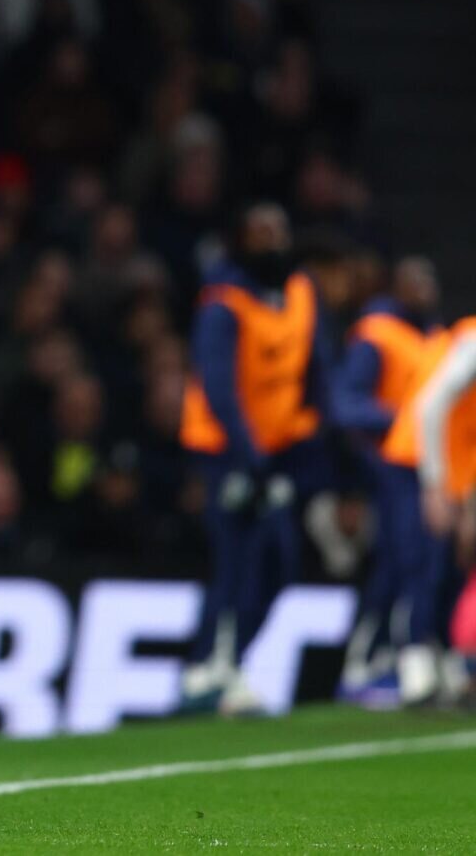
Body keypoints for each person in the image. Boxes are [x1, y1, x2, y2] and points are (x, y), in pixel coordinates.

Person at [178, 203, 332, 714]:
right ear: (241, 241)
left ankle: (235, 660)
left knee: (280, 562)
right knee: (234, 559)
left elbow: (316, 367)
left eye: (279, 231)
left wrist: (310, 439)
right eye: (261, 233)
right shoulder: (223, 302)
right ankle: (206, 670)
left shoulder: (301, 290)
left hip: (280, 452)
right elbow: (219, 389)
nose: (274, 242)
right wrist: (250, 458)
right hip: (227, 452)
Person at [332, 257, 445, 705]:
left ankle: (407, 656)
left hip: (430, 467)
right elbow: (347, 403)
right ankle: (367, 661)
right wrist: (401, 420)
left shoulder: (436, 337)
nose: (426, 289)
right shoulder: (377, 333)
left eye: (429, 280)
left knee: (425, 562)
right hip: (388, 465)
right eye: (416, 281)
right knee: (402, 560)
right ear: (397, 287)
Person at [381, 314, 476, 699]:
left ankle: (445, 658)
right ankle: (414, 660)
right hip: (415, 460)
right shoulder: (473, 343)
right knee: (424, 560)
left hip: (452, 470)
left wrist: (467, 501)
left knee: (454, 563)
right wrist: (435, 485)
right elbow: (429, 407)